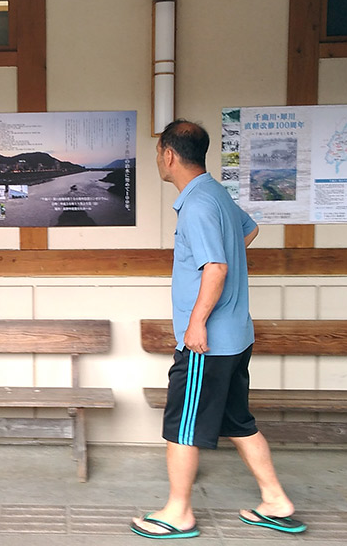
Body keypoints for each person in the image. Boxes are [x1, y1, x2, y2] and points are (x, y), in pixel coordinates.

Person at [130, 120, 305, 539]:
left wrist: (196, 324)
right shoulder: (216, 195)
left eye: (158, 152)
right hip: (235, 336)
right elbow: (251, 230)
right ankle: (275, 501)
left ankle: (178, 512)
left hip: (208, 342)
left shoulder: (198, 205)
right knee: (237, 421)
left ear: (169, 155)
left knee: (182, 424)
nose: (158, 159)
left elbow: (217, 267)